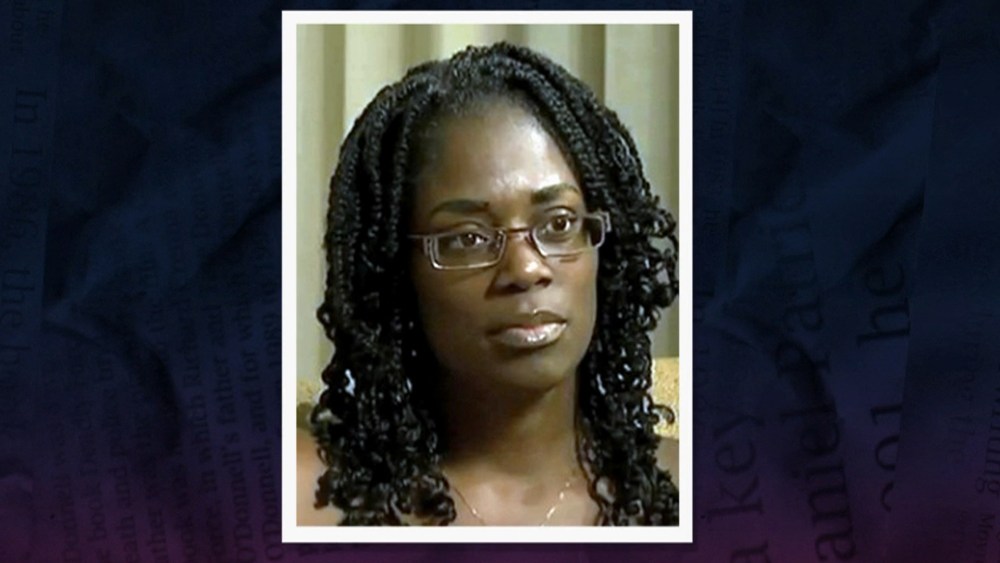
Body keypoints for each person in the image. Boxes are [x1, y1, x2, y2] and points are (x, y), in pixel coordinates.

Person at [297, 42, 679, 526]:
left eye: (559, 224)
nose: (526, 269)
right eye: (469, 238)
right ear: (396, 273)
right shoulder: (308, 493)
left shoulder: (696, 487)